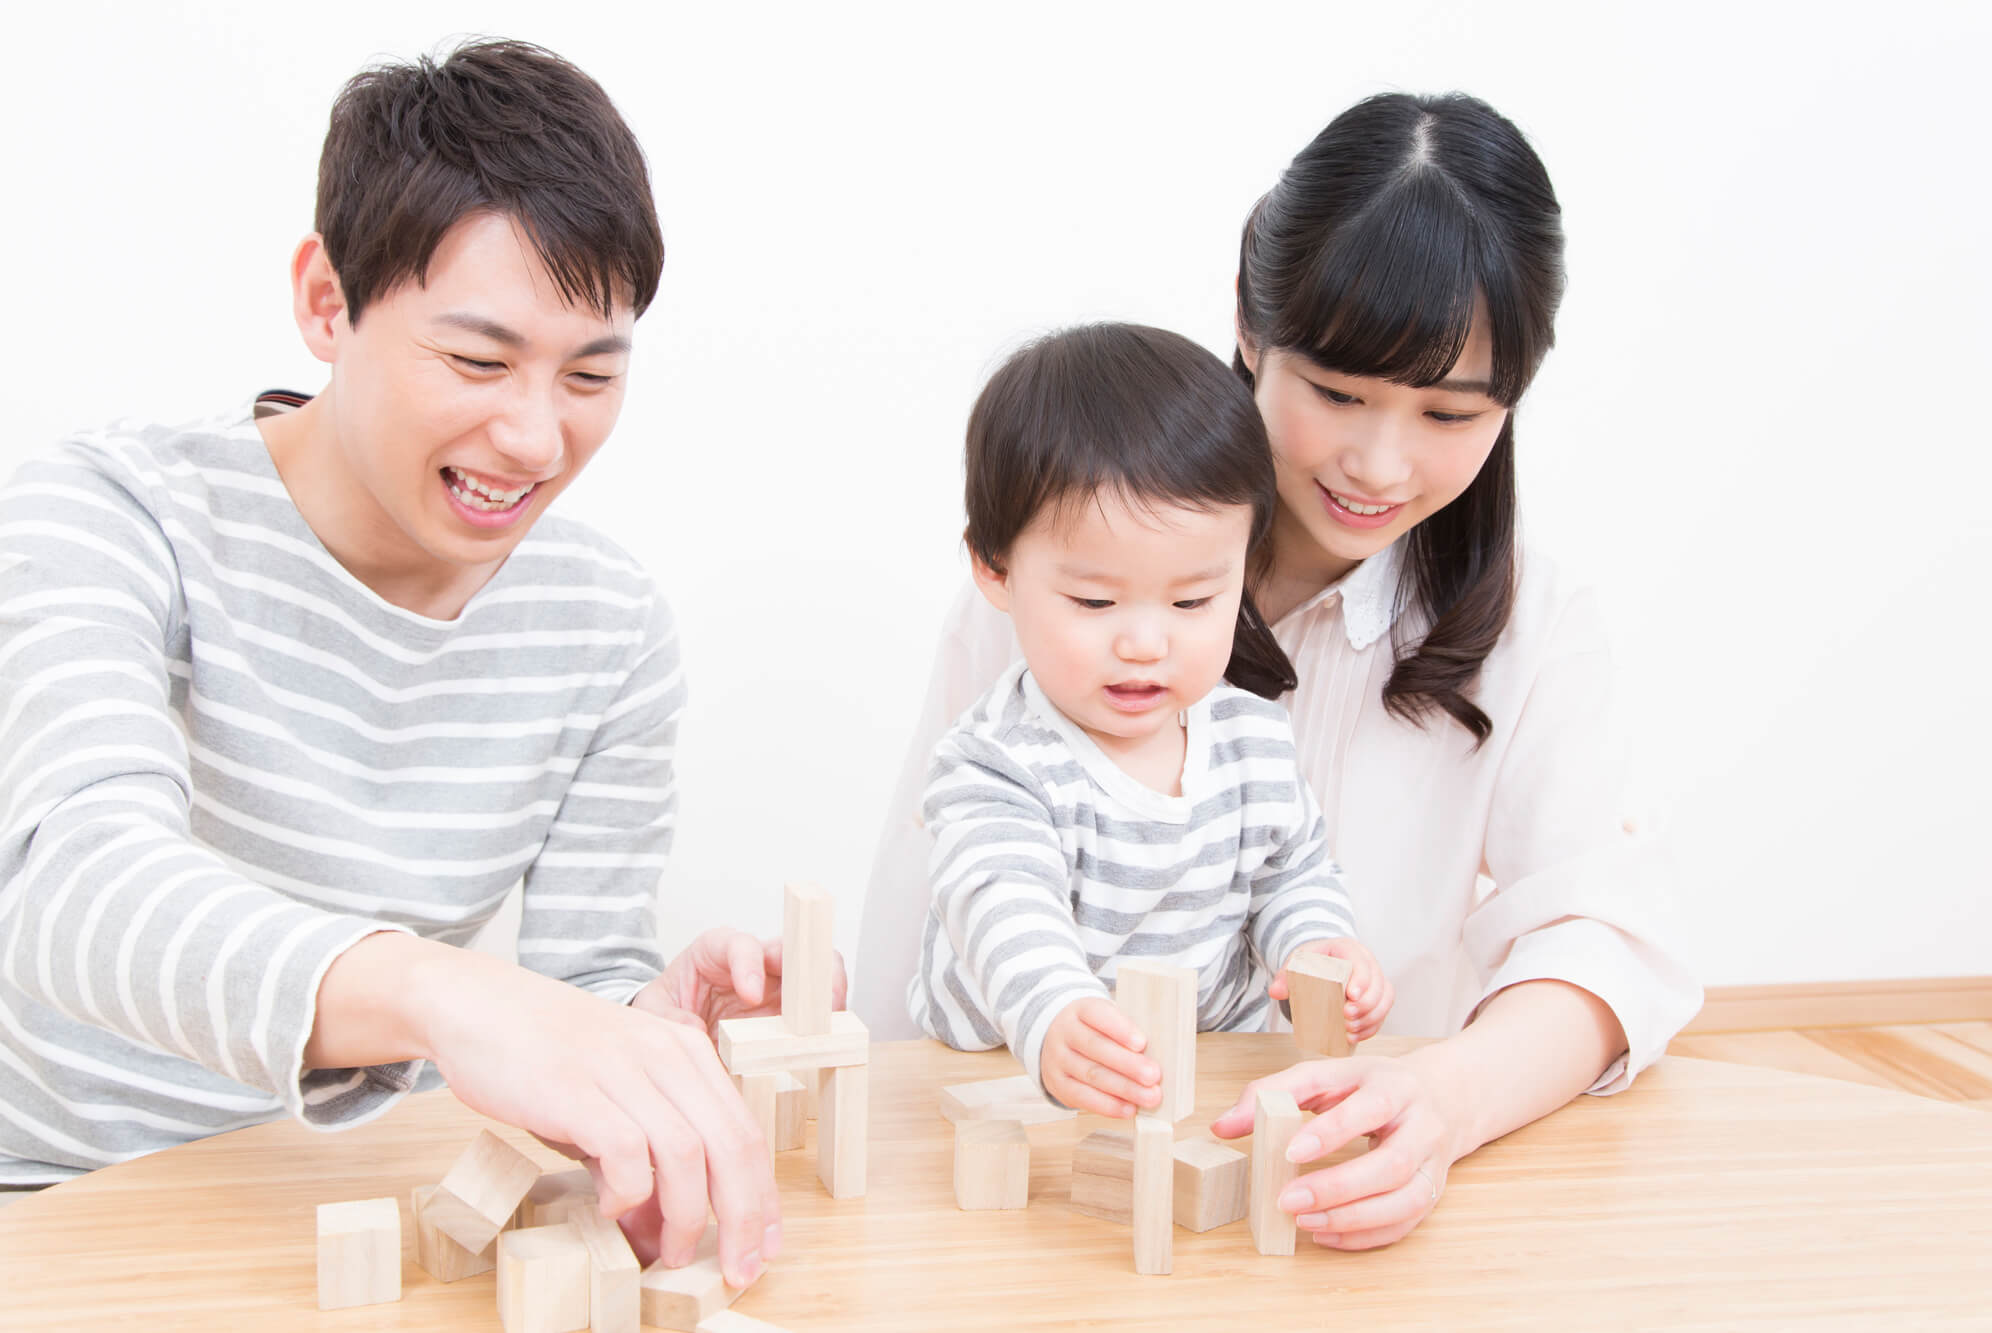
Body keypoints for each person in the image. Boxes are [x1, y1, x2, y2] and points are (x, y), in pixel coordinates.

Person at [0, 40, 816, 1284]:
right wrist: (444, 994)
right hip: (54, 1201)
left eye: (591, 373)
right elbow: (71, 891)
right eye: (477, 361)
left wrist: (639, 1026)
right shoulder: (108, 514)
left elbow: (565, 985)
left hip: (366, 1209)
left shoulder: (606, 624)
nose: (536, 436)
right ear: (328, 301)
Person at [857, 92, 1701, 1250]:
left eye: (1449, 413)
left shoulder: (1535, 627)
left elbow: (1605, 939)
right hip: (1043, 1183)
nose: (1378, 461)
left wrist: (1443, 1101)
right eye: (1338, 392)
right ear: (1250, 330)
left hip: (1326, 1181)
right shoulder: (1061, 575)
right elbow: (930, 904)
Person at [907, 323, 1392, 1117]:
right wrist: (1057, 1012)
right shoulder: (996, 762)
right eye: (1095, 602)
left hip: (1200, 1082)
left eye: (1193, 601)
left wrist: (1317, 952)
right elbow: (1002, 898)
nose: (1143, 642)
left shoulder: (1252, 743)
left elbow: (1293, 876)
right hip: (1012, 1088)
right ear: (995, 568)